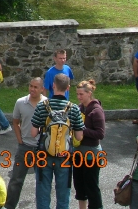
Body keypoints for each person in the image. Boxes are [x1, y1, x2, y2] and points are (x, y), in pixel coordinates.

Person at [31, 73, 85, 209]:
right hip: (65, 156)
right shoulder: (73, 108)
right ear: (68, 88)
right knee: (63, 194)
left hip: (44, 154)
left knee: (43, 191)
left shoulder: (42, 106)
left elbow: (33, 133)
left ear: (53, 86)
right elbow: (79, 136)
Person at [4, 78, 47, 209]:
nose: (32, 89)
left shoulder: (47, 104)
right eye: (30, 86)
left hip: (42, 148)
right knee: (16, 180)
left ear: (42, 89)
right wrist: (19, 139)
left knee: (43, 181)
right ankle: (9, 206)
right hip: (25, 146)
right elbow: (15, 122)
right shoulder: (20, 102)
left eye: (35, 87)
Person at [73, 79, 105, 209]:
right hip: (78, 154)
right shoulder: (79, 108)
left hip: (92, 155)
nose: (79, 97)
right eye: (77, 94)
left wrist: (82, 130)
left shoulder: (96, 111)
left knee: (91, 187)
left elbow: (100, 134)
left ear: (89, 93)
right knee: (79, 186)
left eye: (81, 94)